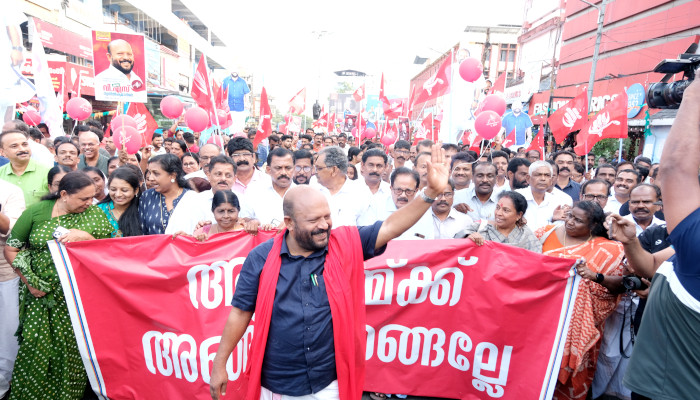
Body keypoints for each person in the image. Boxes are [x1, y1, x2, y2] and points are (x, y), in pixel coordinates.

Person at [209, 144, 450, 400]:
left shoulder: (343, 243)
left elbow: (390, 227)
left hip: (328, 382)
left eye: (327, 216)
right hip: (277, 381)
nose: (324, 225)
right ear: (289, 223)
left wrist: (430, 193)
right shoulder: (260, 258)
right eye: (314, 220)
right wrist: (219, 363)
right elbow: (240, 312)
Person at [3, 171, 113, 399]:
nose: (89, 203)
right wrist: (30, 283)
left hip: (79, 299)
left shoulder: (96, 214)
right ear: (64, 194)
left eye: (92, 197)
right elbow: (11, 249)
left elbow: (112, 251)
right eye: (83, 198)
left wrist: (87, 238)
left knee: (72, 350)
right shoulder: (36, 212)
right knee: (36, 346)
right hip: (41, 298)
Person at [622, 78, 700, 400]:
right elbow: (652, 265)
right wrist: (630, 242)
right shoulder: (687, 253)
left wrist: (695, 90)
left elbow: (676, 167)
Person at [534, 201, 624, 400]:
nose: (570, 222)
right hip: (538, 319)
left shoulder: (610, 249)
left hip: (576, 323)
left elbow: (618, 288)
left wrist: (593, 277)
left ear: (593, 225)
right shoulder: (545, 233)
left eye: (578, 220)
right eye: (570, 216)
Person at [0, 179, 24, 399]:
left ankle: (3, 384)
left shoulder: (9, 191)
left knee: (7, 334)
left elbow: (10, 231)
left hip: (4, 275)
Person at [456, 191, 541, 252]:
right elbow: (455, 244)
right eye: (497, 208)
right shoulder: (480, 227)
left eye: (506, 210)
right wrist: (469, 238)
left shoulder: (525, 234)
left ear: (519, 215)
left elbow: (536, 260)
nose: (498, 213)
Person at [312, 146, 372, 227]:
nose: (315, 172)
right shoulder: (312, 188)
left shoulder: (360, 192)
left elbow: (364, 228)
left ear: (334, 170)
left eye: (319, 168)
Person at [138, 154, 194, 235]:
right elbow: (141, 232)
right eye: (150, 173)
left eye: (156, 173)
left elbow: (200, 231)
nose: (150, 178)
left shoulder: (192, 198)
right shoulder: (147, 196)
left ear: (173, 175)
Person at [239, 148, 295, 229]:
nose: (283, 172)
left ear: (294, 169)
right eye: (278, 168)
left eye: (288, 168)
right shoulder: (253, 191)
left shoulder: (304, 194)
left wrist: (293, 223)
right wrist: (252, 222)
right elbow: (243, 219)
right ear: (268, 170)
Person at [0, 130, 49, 207]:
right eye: (14, 146)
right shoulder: (1, 174)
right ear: (2, 152)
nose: (22, 149)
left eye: (25, 144)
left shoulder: (47, 172)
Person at [516, 161, 568, 231]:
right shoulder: (516, 197)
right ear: (528, 178)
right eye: (538, 175)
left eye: (547, 175)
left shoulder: (557, 202)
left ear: (551, 180)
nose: (543, 178)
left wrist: (553, 220)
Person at [97, 167, 142, 237]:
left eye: (124, 190)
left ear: (136, 190)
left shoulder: (142, 209)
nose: (118, 194)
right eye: (113, 189)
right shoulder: (99, 210)